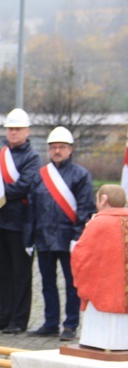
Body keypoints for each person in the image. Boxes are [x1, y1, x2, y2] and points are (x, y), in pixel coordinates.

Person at [26, 126, 95, 341]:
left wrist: (77, 237)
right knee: (47, 283)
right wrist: (29, 238)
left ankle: (70, 324)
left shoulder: (81, 175)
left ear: (70, 149)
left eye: (62, 147)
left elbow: (85, 208)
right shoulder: (40, 176)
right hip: (44, 238)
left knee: (71, 284)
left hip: (68, 239)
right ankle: (50, 322)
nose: (57, 151)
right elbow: (32, 208)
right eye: (53, 147)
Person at [0, 108, 40, 334]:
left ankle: (18, 320)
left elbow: (23, 187)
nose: (14, 133)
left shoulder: (33, 157)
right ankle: (2, 315)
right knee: (1, 273)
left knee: (20, 275)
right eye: (10, 129)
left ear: (26, 131)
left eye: (17, 129)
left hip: (20, 224)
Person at [72, 185, 128, 349]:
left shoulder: (98, 223)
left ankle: (97, 345)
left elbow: (82, 256)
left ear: (103, 200)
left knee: (98, 339)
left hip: (103, 292)